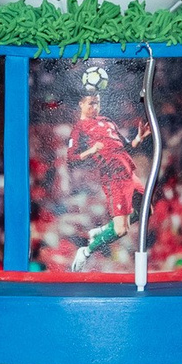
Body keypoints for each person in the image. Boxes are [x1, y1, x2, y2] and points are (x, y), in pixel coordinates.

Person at [66, 85, 152, 271]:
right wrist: (91, 150)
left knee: (147, 211)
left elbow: (126, 146)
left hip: (128, 172)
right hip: (114, 177)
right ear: (81, 104)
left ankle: (104, 230)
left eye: (97, 103)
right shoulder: (79, 128)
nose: (95, 107)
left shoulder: (107, 121)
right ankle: (86, 252)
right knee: (121, 230)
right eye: (91, 103)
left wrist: (139, 138)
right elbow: (71, 158)